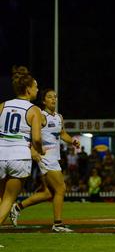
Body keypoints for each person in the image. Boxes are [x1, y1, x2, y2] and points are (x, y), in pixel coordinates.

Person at [9, 89, 80, 232]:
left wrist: (72, 140)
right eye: (49, 97)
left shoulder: (59, 117)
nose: (53, 99)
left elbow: (62, 133)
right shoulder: (40, 116)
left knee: (48, 193)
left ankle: (17, 207)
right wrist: (33, 150)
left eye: (55, 97)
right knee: (61, 188)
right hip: (45, 157)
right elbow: (30, 133)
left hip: (53, 157)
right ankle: (58, 224)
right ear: (44, 101)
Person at [0, 66, 44, 247]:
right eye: (36, 87)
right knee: (9, 200)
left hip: (0, 153)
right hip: (19, 156)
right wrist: (38, 150)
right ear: (28, 89)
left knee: (1, 197)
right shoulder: (34, 110)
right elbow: (36, 138)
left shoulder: (2, 105)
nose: (38, 89)